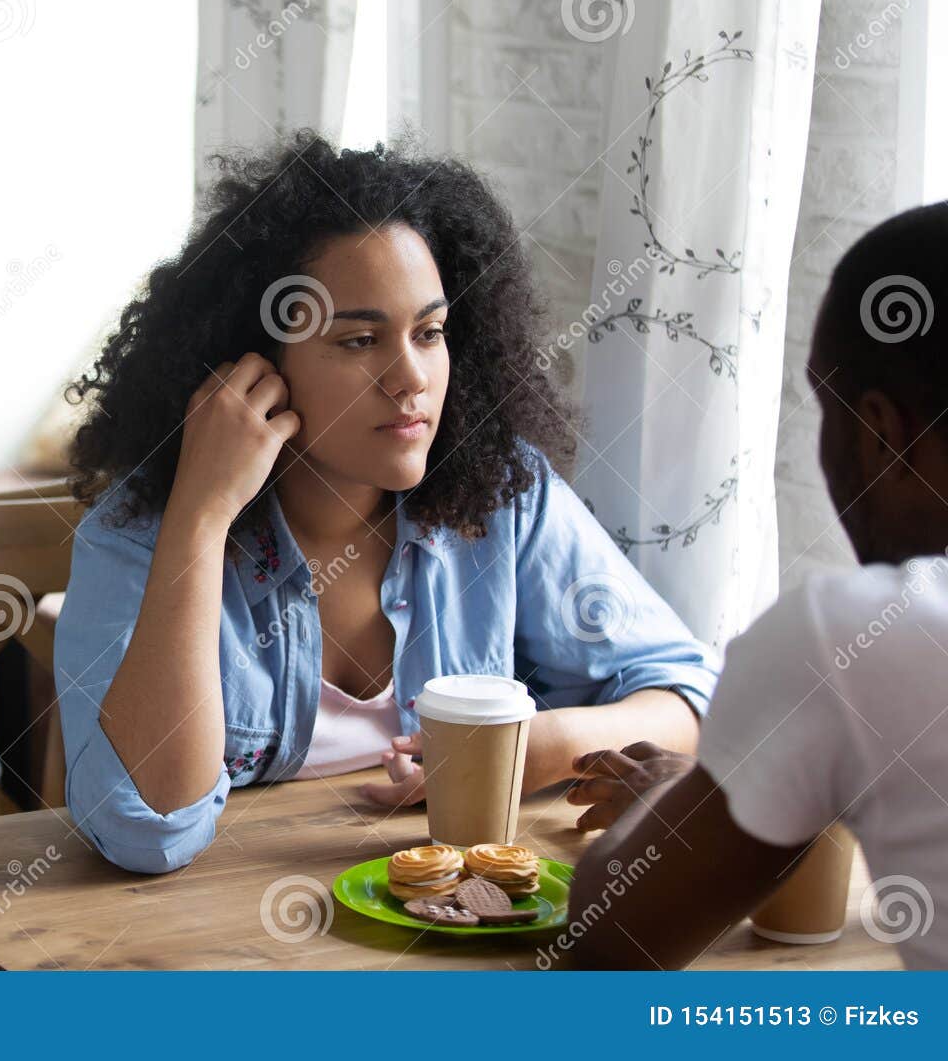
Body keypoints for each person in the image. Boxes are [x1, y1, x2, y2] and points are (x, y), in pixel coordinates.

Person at [54, 133, 719, 875]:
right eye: (359, 339)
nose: (411, 378)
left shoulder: (503, 497)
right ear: (254, 369)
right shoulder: (142, 534)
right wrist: (202, 521)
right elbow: (150, 829)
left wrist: (525, 748)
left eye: (429, 333)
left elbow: (688, 694)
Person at [567, 201, 948, 970]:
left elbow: (608, 942)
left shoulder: (857, 635)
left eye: (823, 408)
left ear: (881, 431)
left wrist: (658, 807)